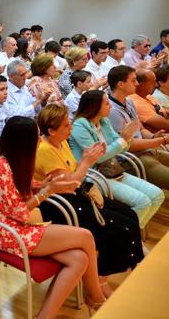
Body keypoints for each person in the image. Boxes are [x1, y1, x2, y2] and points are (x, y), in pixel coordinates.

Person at [0, 116, 107, 318]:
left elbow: (29, 187)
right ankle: (97, 299)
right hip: (7, 230)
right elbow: (21, 212)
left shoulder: (17, 160)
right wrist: (48, 190)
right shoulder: (1, 167)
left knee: (79, 258)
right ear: (23, 141)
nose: (40, 140)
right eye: (36, 136)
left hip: (21, 224)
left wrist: (45, 185)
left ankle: (44, 316)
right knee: (86, 237)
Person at [35, 104, 143, 296]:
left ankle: (133, 259)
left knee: (129, 213)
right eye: (66, 126)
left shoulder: (61, 141)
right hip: (59, 204)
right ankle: (100, 278)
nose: (70, 128)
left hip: (75, 194)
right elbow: (67, 184)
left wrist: (84, 166)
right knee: (119, 227)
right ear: (51, 131)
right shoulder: (45, 149)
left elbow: (72, 169)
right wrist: (87, 162)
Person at [69, 90, 164, 228]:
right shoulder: (80, 125)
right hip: (92, 175)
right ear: (94, 106)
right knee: (143, 201)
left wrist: (126, 138)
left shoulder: (104, 121)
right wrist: (123, 140)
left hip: (111, 169)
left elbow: (122, 145)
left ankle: (130, 235)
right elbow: (97, 156)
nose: (111, 106)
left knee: (157, 195)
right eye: (107, 103)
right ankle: (124, 237)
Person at [107, 65, 169, 190]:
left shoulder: (129, 102)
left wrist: (153, 136)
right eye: (133, 80)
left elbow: (140, 129)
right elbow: (128, 145)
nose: (137, 84)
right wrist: (160, 140)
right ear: (121, 84)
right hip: (130, 159)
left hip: (145, 150)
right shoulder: (112, 110)